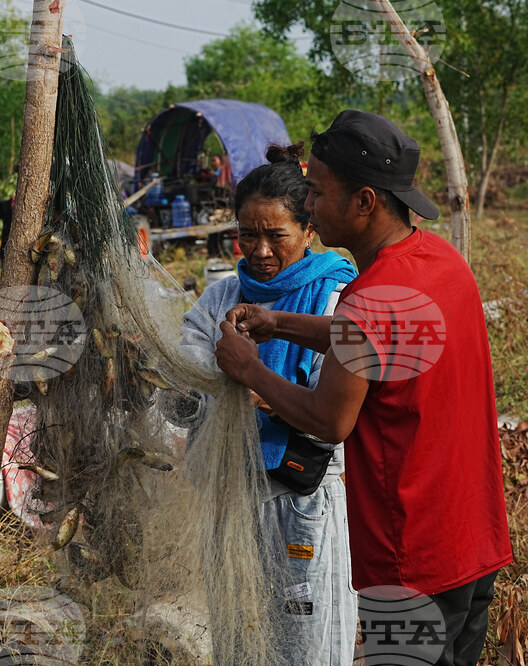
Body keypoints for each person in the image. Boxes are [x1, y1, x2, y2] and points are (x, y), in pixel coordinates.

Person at [214, 110, 512, 666]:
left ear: (365, 201)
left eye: (317, 193)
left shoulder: (368, 299)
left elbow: (330, 420)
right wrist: (280, 323)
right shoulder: (440, 262)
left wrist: (250, 370)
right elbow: (376, 344)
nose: (308, 206)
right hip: (472, 542)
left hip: (412, 559)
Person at [180, 143, 359, 665]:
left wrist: (257, 390)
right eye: (247, 235)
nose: (260, 250)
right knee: (239, 636)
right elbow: (185, 375)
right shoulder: (220, 297)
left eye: (275, 235)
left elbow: (336, 415)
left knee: (306, 645)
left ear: (308, 231)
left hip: (301, 498)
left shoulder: (336, 297)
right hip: (230, 495)